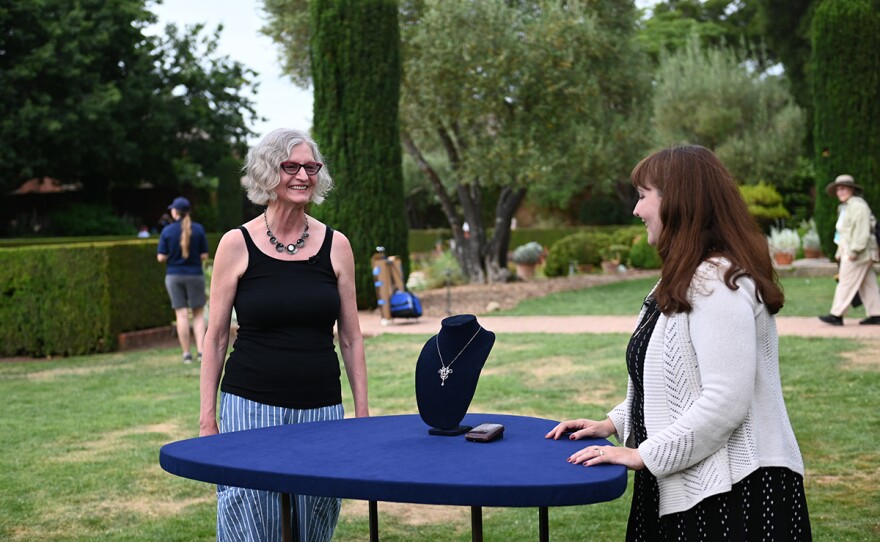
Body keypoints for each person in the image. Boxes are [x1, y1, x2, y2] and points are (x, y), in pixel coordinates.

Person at [546, 145, 811, 541]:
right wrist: (613, 423)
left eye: (643, 196)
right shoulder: (683, 276)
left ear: (678, 201)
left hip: (734, 494)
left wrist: (642, 454)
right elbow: (674, 383)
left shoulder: (717, 282)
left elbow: (725, 400)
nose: (636, 210)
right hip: (695, 484)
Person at [200, 128, 369, 541]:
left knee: (315, 526)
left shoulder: (337, 245)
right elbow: (216, 337)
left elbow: (351, 337)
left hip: (322, 411)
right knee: (250, 526)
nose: (303, 176)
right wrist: (207, 419)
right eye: (290, 166)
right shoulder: (235, 244)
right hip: (249, 409)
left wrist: (362, 415)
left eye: (311, 167)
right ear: (267, 172)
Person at [818, 174, 880, 326]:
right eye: (838, 189)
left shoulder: (858, 206)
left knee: (845, 282)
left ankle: (836, 315)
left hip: (859, 253)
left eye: (843, 188)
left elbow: (862, 231)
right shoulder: (844, 207)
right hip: (854, 251)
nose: (840, 192)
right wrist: (840, 252)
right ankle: (876, 314)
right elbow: (844, 234)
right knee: (868, 284)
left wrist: (854, 251)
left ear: (852, 189)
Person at [157, 197, 209, 364]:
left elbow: (161, 257)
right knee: (198, 315)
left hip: (174, 276)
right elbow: (204, 255)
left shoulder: (167, 231)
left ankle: (186, 354)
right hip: (195, 275)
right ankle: (201, 352)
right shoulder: (198, 229)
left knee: (181, 315)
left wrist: (172, 257)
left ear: (175, 212)